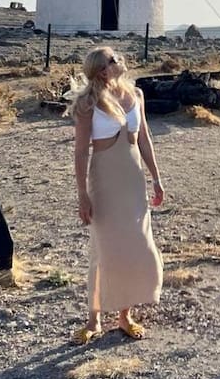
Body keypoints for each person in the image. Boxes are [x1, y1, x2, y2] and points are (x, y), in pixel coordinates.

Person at [68, 46, 164, 342]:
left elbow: (144, 138)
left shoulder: (136, 94)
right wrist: (82, 193)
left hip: (133, 180)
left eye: (115, 57)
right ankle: (93, 320)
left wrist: (156, 178)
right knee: (105, 248)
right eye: (111, 60)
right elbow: (81, 151)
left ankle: (125, 315)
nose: (118, 60)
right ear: (99, 71)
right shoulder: (88, 103)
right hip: (104, 181)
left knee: (135, 245)